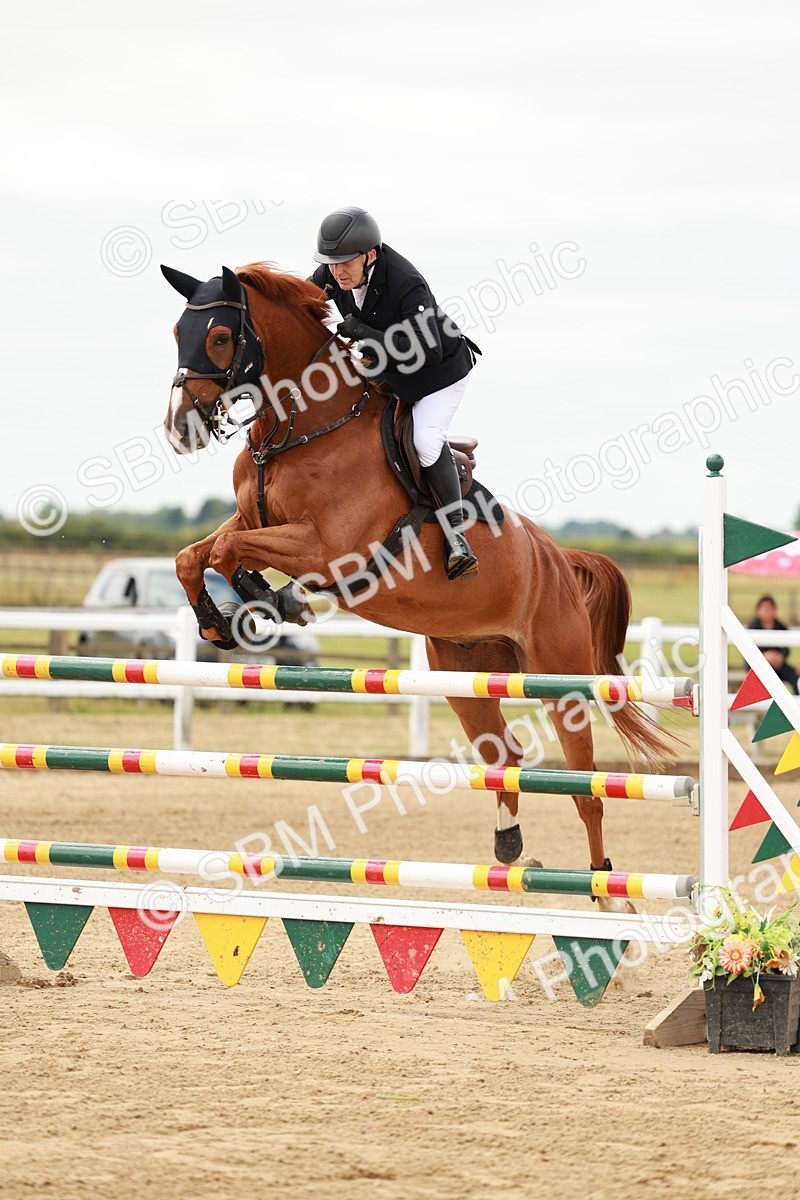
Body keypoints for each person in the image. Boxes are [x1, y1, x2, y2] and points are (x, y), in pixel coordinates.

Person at [310, 205, 480, 581]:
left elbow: (426, 349)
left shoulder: (405, 281)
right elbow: (299, 301)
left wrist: (364, 334)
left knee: (425, 440)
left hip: (438, 373)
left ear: (370, 255)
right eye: (331, 264)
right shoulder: (332, 273)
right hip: (390, 368)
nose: (337, 272)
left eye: (346, 263)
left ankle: (457, 540)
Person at [748, 595, 799, 693]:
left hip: (778, 664)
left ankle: (797, 698)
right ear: (758, 611)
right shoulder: (753, 627)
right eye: (764, 609)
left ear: (775, 611)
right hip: (757, 664)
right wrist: (764, 656)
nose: (767, 612)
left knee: (795, 676)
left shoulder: (781, 626)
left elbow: (786, 648)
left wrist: (780, 656)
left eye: (769, 609)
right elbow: (748, 649)